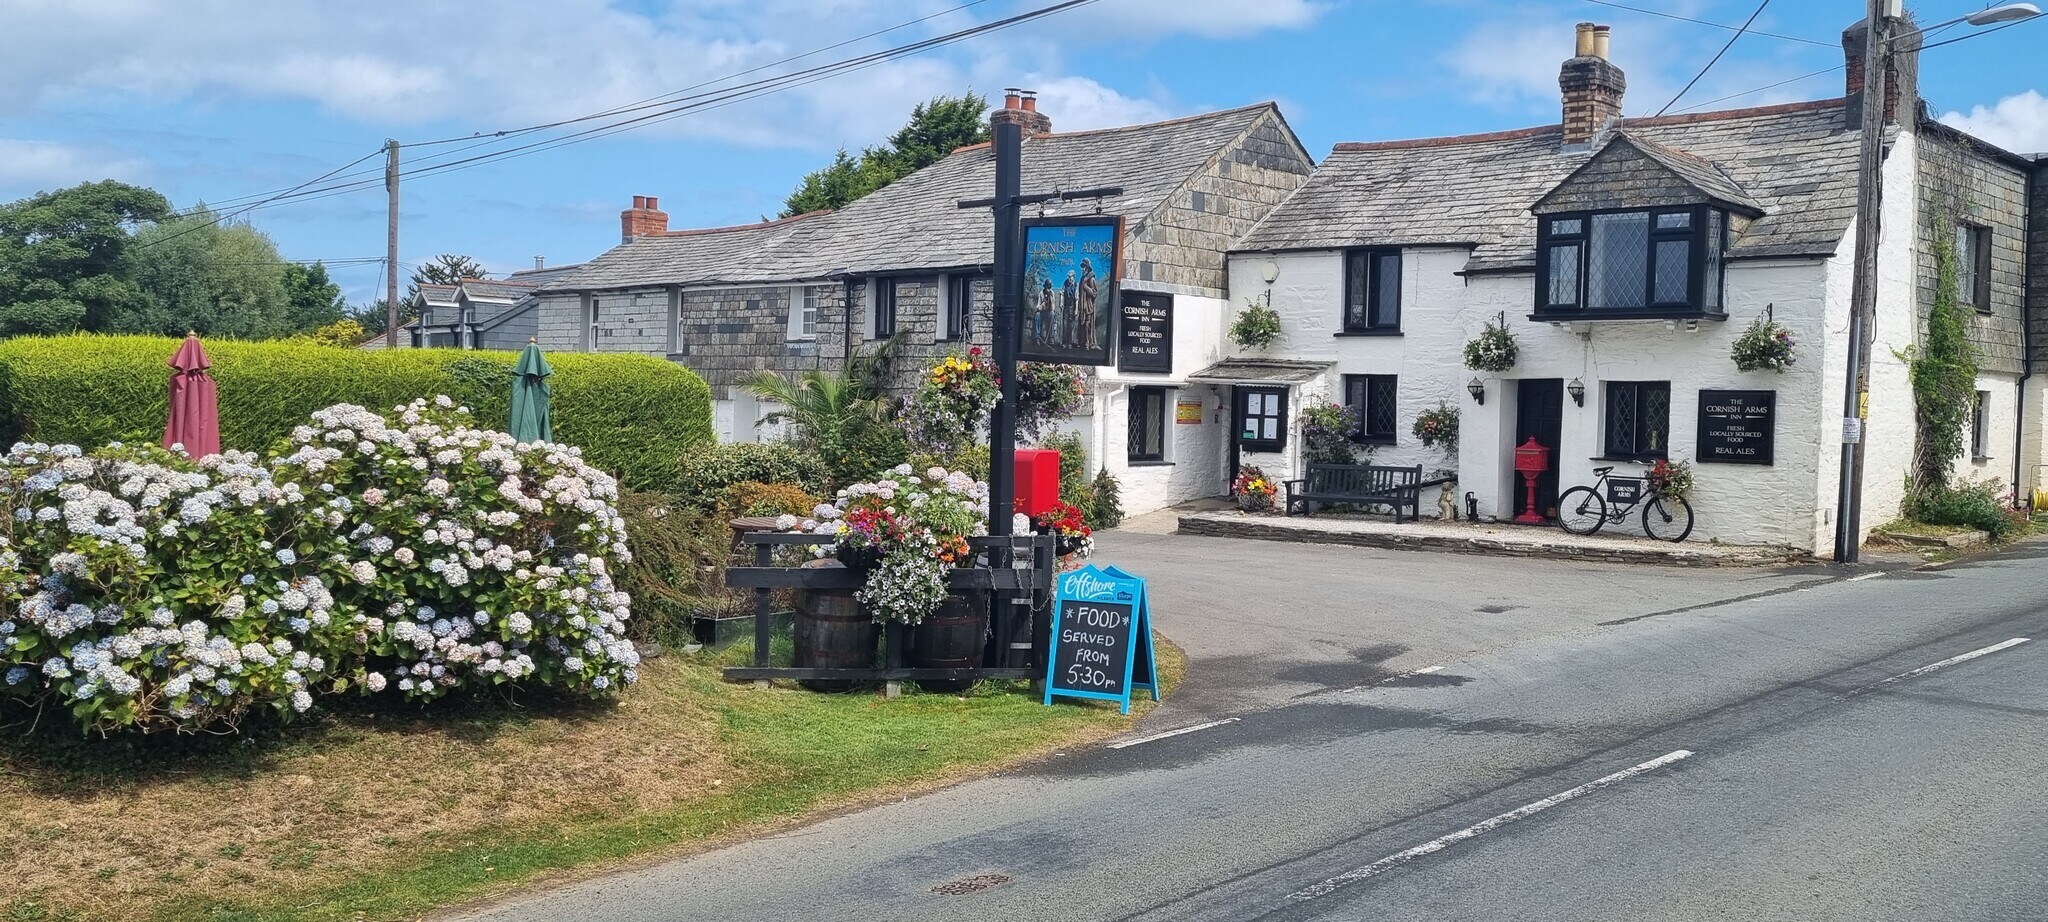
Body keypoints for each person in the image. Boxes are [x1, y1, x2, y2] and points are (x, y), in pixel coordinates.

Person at [1076, 259, 1098, 352]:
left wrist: (1086, 287)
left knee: (1087, 325)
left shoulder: (1091, 278)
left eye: (1083, 267)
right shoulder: (1082, 278)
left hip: (1088, 306)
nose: (1082, 269)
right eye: (1082, 267)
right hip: (1082, 305)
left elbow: (1094, 293)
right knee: (1082, 324)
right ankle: (1082, 342)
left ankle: (1087, 344)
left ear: (1087, 267)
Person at [1060, 270, 1078, 349]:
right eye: (1068, 277)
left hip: (1072, 306)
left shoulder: (1076, 285)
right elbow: (1062, 293)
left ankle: (1070, 343)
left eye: (1070, 277)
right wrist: (1061, 302)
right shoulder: (1065, 283)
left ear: (1073, 277)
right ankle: (1064, 343)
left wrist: (1076, 309)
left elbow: (1077, 298)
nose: (1069, 278)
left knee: (1071, 326)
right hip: (1066, 307)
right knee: (1065, 325)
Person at [1037, 277, 1055, 346]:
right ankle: (1037, 337)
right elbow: (1038, 307)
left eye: (1049, 288)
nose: (1048, 289)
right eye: (1047, 288)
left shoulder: (1052, 293)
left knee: (1052, 314)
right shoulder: (1041, 293)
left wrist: (1050, 297)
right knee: (1037, 315)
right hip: (1042, 312)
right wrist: (1043, 304)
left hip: (1048, 312)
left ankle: (1050, 338)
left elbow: (1053, 308)